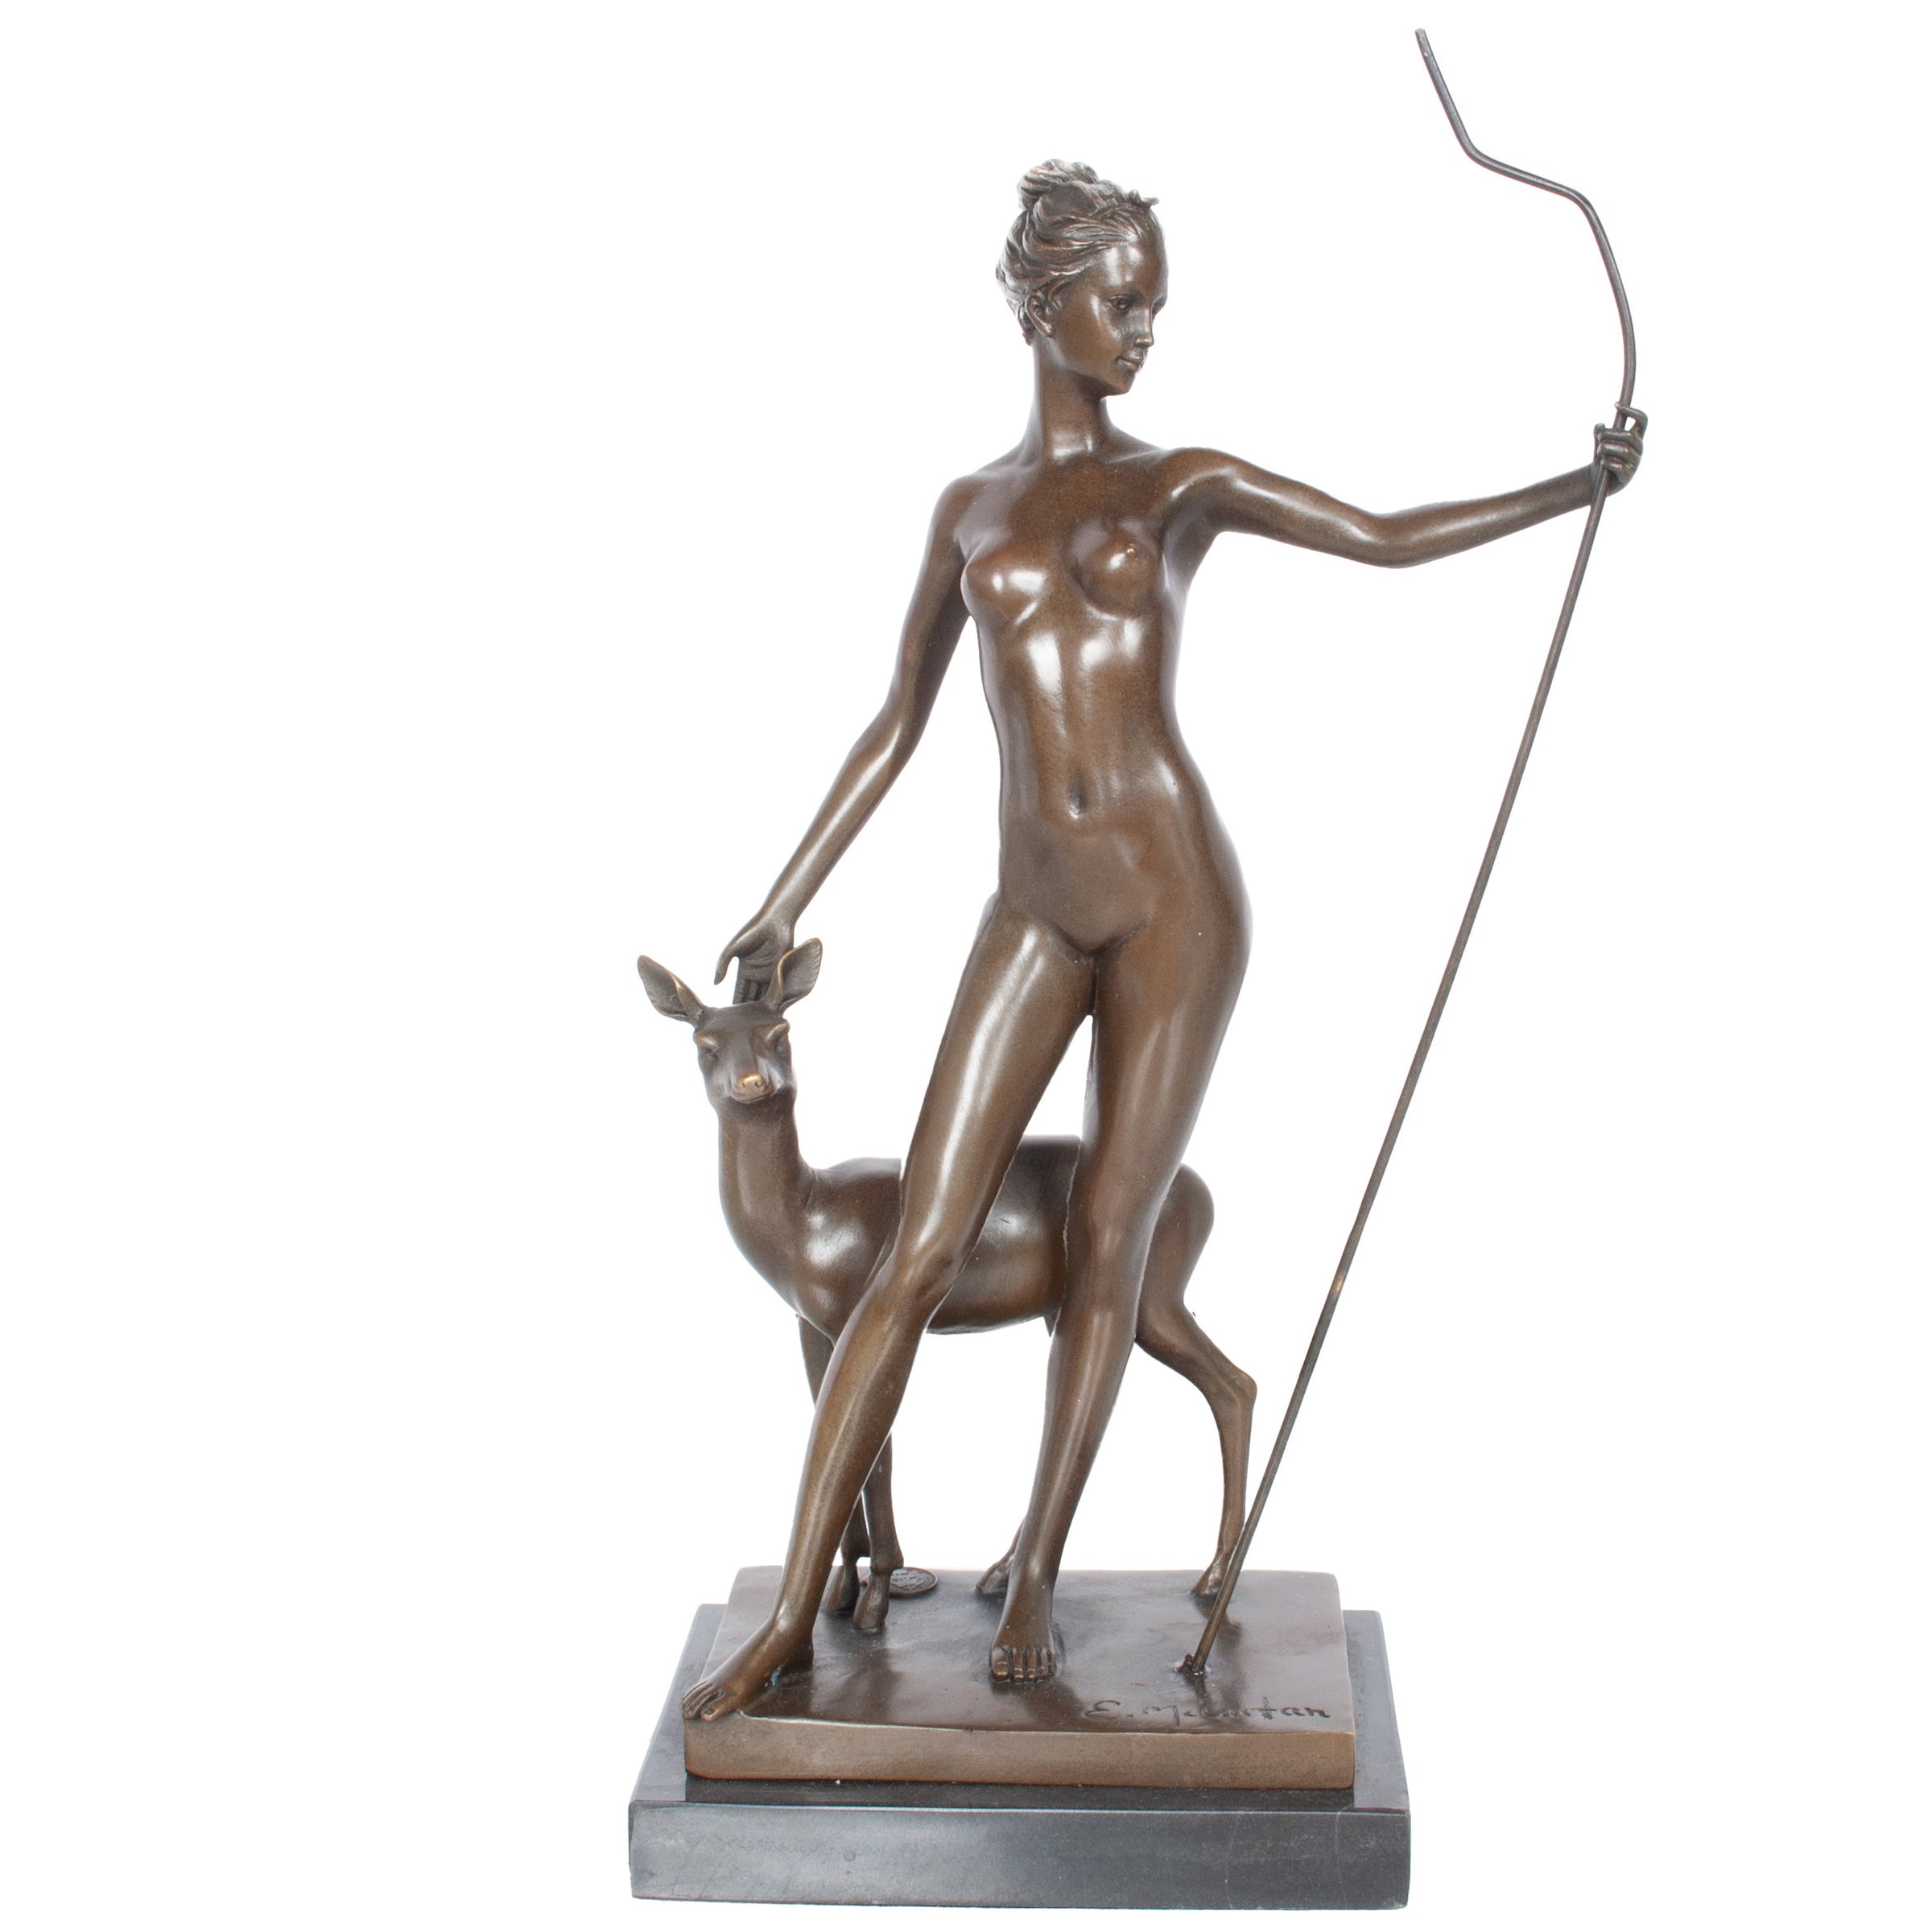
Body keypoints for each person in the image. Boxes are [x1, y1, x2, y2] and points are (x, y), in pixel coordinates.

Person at [683, 159, 1641, 1718]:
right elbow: (895, 722)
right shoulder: (970, 510)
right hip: (1033, 908)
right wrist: (788, 893)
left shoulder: (1179, 484)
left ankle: (1036, 1573)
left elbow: (1384, 535)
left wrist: (1571, 488)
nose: (1144, 331)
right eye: (1122, 302)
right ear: (1042, 299)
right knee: (915, 1250)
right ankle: (793, 1613)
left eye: (1155, 305)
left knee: (1109, 1241)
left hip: (1175, 902)